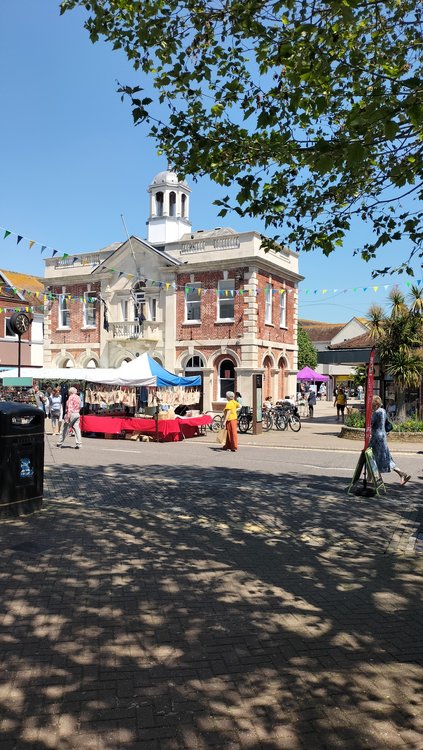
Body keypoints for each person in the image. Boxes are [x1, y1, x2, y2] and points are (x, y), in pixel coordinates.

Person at [369, 396, 410, 486]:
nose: (370, 405)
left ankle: (376, 479)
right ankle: (401, 474)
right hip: (383, 437)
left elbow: (370, 424)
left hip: (377, 437)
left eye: (371, 403)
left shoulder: (376, 413)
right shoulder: (383, 411)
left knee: (373, 457)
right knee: (386, 457)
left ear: (375, 404)